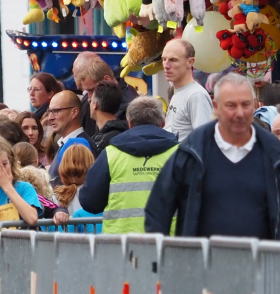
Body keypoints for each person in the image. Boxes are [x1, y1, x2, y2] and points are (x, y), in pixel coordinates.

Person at [145, 74, 280, 241]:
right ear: (216, 107)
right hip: (201, 266)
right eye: (231, 105)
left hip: (264, 267)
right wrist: (161, 262)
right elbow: (159, 207)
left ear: (255, 105)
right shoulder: (192, 151)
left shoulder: (276, 155)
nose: (240, 113)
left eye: (245, 104)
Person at [80, 97, 180, 234]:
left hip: (121, 245)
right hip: (168, 244)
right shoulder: (180, 154)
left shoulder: (111, 154)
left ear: (129, 123)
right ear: (163, 123)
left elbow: (89, 201)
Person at [0, 136, 41, 226]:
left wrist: (7, 186)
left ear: (10, 161)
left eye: (4, 164)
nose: (1, 171)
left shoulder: (24, 188)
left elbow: (32, 218)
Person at [45, 91, 92, 186]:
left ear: (74, 112)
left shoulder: (81, 146)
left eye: (56, 111)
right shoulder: (66, 144)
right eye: (49, 111)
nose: (50, 117)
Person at [89, 82, 128, 154]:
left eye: (90, 101)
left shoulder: (107, 140)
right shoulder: (124, 133)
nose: (89, 105)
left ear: (95, 105)